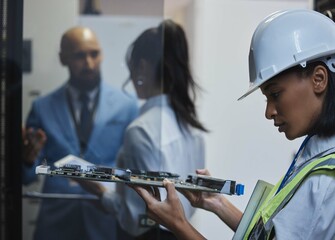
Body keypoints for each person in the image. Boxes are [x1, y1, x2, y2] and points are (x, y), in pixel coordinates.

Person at [132, 9, 335, 240]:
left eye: (276, 94)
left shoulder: (324, 182)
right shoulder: (317, 151)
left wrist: (179, 224)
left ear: (319, 79)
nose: (269, 112)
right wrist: (218, 203)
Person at [76, 19, 207, 239]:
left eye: (133, 68)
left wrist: (100, 192)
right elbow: (191, 200)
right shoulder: (191, 126)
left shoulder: (140, 130)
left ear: (143, 67)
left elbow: (138, 216)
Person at [22, 26, 138, 240]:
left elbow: (137, 168)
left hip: (106, 220)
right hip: (56, 223)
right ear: (62, 58)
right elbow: (25, 177)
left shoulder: (127, 106)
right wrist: (28, 160)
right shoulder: (42, 107)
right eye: (79, 56)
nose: (89, 63)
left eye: (94, 54)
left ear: (102, 54)